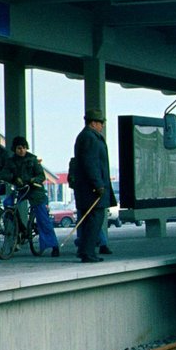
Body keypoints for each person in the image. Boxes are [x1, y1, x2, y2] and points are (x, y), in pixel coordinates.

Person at [0, 136, 60, 257]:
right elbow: (4, 174)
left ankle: (53, 245)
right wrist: (14, 179)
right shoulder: (11, 161)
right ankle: (19, 228)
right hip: (20, 189)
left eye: (24, 148)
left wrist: (33, 179)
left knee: (43, 218)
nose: (22, 150)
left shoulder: (32, 160)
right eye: (19, 148)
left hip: (35, 190)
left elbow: (41, 176)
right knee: (8, 204)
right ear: (14, 149)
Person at [73, 109, 116, 263]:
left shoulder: (88, 136)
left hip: (88, 188)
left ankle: (84, 251)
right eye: (101, 123)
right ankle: (88, 253)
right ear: (93, 123)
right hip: (92, 189)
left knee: (89, 221)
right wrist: (98, 184)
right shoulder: (89, 138)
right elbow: (90, 163)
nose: (102, 126)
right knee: (94, 221)